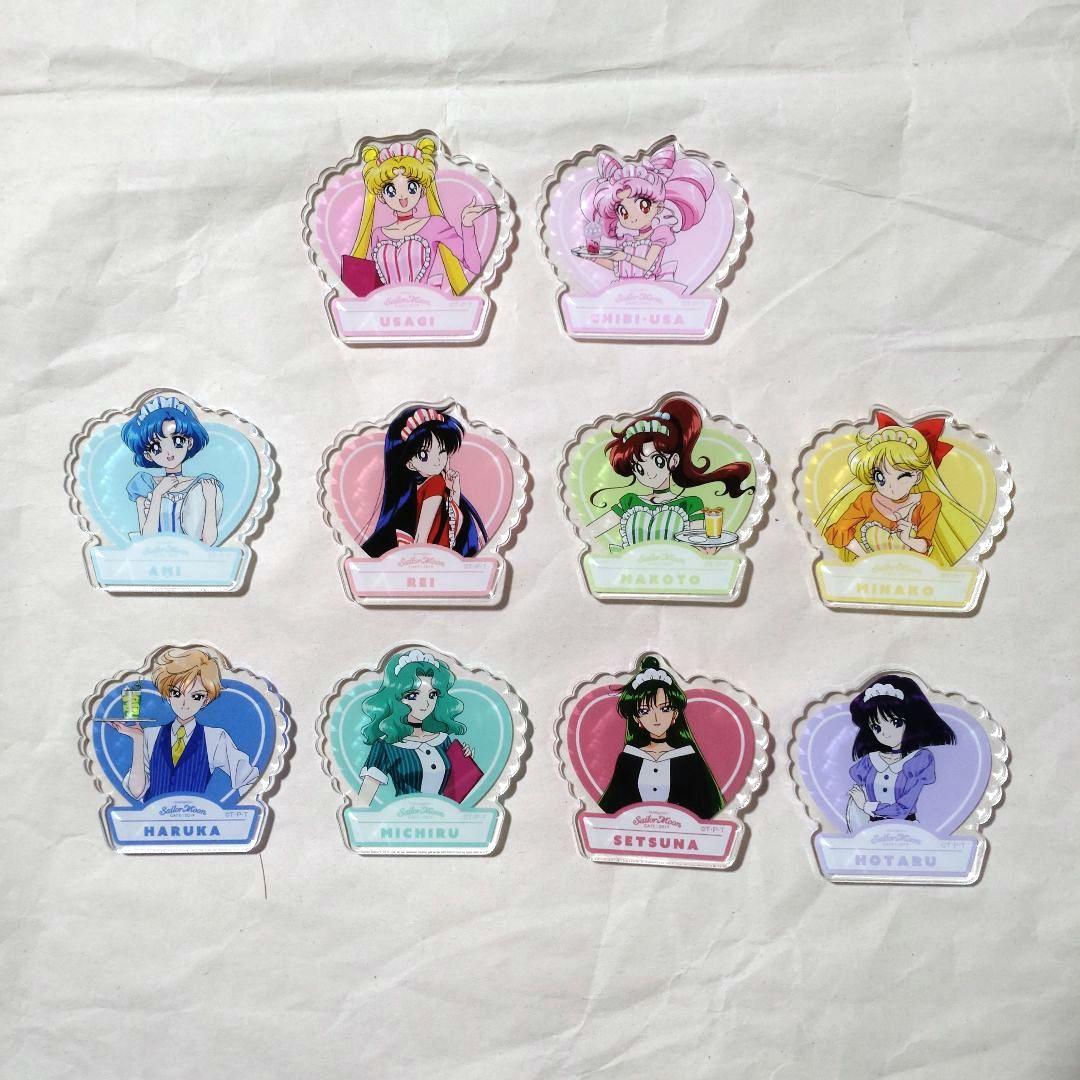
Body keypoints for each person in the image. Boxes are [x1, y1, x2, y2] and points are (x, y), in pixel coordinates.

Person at [815, 411, 986, 565]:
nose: (891, 487)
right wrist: (867, 557)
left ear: (917, 477)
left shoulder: (928, 501)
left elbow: (924, 543)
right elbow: (839, 529)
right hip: (870, 573)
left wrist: (908, 539)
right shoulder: (866, 500)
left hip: (913, 572)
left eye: (903, 477)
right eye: (880, 477)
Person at [587, 396, 753, 549]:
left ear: (673, 460)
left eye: (657, 461)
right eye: (639, 468)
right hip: (630, 568)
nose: (649, 474)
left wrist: (712, 548)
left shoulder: (689, 505)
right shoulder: (629, 502)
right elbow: (593, 531)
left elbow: (700, 547)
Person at [346, 138, 496, 295]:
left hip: (425, 302)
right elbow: (375, 281)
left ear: (422, 190)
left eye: (411, 187)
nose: (402, 196)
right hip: (388, 305)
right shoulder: (378, 234)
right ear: (381, 197)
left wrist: (467, 224)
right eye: (391, 190)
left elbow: (474, 266)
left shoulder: (435, 224)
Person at [110, 648, 259, 802]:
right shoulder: (150, 735)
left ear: (205, 701)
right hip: (153, 814)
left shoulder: (215, 738)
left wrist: (236, 810)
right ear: (168, 696)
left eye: (196, 696)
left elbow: (249, 779)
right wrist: (138, 739)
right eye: (176, 693)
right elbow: (136, 792)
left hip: (196, 814)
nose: (184, 703)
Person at [599, 656, 723, 819]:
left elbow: (706, 808)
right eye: (645, 711)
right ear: (637, 719)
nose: (656, 718)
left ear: (675, 714)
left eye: (664, 709)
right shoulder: (629, 758)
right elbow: (612, 807)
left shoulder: (689, 758)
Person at [574, 143, 715, 285]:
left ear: (659, 207)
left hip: (649, 286)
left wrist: (624, 256)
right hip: (622, 287)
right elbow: (618, 267)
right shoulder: (627, 237)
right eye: (623, 212)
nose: (633, 217)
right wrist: (593, 257)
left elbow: (647, 264)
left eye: (643, 206)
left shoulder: (660, 233)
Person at [354, 649, 477, 807]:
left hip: (444, 817)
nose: (425, 704)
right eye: (413, 696)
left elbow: (458, 791)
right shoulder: (386, 746)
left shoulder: (443, 741)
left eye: (432, 695)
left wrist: (465, 763)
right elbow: (363, 800)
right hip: (404, 817)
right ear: (396, 698)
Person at [360, 406, 487, 558]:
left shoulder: (430, 485)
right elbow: (423, 533)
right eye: (424, 455)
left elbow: (444, 523)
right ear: (410, 463)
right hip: (427, 553)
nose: (437, 460)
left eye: (442, 451)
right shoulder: (435, 483)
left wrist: (454, 492)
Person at [845, 674, 956, 832]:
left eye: (896, 723)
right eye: (877, 727)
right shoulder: (869, 762)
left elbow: (903, 808)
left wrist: (865, 805)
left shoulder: (919, 760)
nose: (886, 734)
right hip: (871, 830)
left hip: (906, 832)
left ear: (913, 721)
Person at [121, 394, 222, 545]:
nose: (169, 452)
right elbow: (146, 538)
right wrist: (158, 493)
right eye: (156, 447)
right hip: (154, 555)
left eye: (177, 440)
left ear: (189, 442)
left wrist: (210, 499)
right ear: (148, 455)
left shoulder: (202, 485)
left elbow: (209, 541)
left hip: (192, 556)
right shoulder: (144, 484)